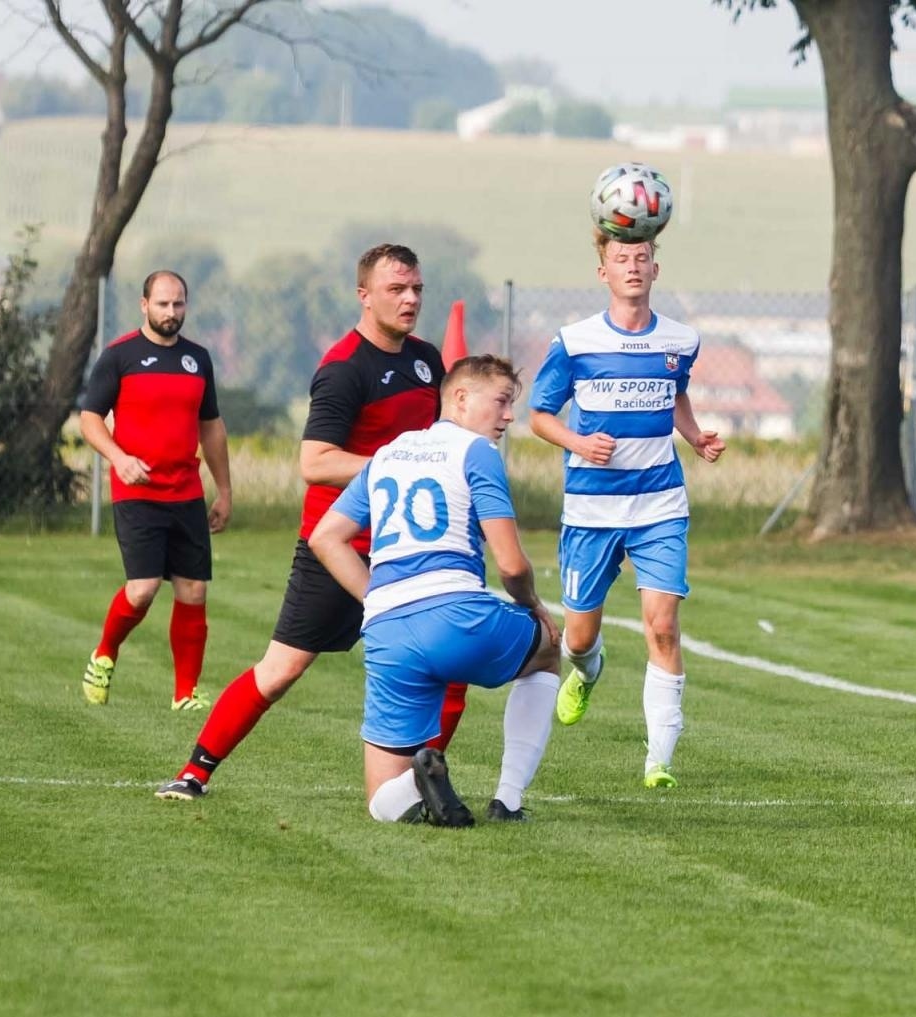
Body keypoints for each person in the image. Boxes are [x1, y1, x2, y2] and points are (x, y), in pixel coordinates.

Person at [156, 244, 458, 800]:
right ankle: (194, 772)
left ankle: (422, 786)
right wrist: (398, 464)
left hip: (406, 546)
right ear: (364, 295)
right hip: (338, 547)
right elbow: (314, 462)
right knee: (282, 670)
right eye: (396, 289)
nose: (411, 299)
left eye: (417, 288)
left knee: (449, 664)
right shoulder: (345, 368)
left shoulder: (425, 361)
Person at [309, 355, 561, 827]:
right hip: (457, 617)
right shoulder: (477, 451)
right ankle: (507, 800)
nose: (509, 416)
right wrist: (534, 606)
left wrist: (376, 600)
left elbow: (325, 538)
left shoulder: (388, 454)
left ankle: (418, 781)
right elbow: (511, 566)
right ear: (461, 398)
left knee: (382, 801)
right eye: (502, 401)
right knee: (548, 651)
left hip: (387, 632)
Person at [527, 230, 724, 789]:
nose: (633, 266)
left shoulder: (681, 340)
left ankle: (659, 760)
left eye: (642, 258)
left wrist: (694, 436)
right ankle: (587, 672)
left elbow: (674, 392)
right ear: (604, 273)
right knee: (577, 639)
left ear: (655, 270)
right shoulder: (575, 342)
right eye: (621, 259)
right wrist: (578, 443)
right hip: (591, 511)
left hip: (660, 505)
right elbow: (539, 415)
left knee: (662, 627)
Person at [79, 270, 231, 713]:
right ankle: (104, 654)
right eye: (163, 304)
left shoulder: (198, 359)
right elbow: (90, 419)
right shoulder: (119, 356)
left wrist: (224, 490)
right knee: (143, 589)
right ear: (144, 305)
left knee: (193, 590)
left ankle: (185, 694)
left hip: (185, 492)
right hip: (137, 492)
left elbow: (211, 427)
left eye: (178, 303)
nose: (171, 312)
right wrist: (119, 458)